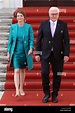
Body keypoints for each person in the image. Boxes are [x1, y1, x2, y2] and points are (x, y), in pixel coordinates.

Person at [35, 7, 70, 103]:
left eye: (56, 14)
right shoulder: (43, 24)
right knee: (44, 73)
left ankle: (55, 94)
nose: (54, 16)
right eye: (52, 14)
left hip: (59, 55)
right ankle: (46, 94)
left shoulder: (63, 25)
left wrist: (66, 54)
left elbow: (66, 41)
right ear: (49, 14)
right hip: (45, 54)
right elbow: (39, 39)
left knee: (58, 74)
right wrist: (37, 53)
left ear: (58, 14)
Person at [7, 10, 34, 97]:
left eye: (21, 16)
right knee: (17, 70)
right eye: (18, 16)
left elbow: (31, 39)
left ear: (24, 17)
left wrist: (31, 48)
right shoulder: (13, 27)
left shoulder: (28, 27)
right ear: (16, 17)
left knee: (22, 70)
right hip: (15, 52)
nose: (19, 17)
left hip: (25, 52)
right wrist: (8, 51)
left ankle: (21, 88)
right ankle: (17, 90)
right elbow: (10, 40)